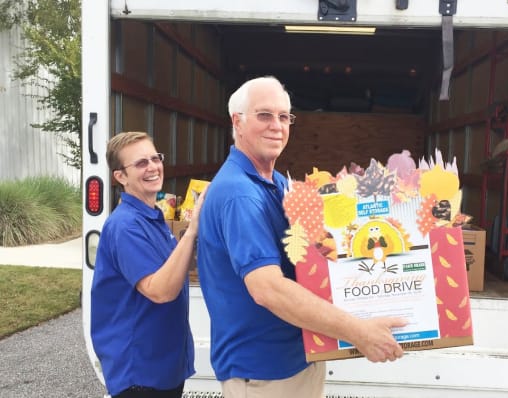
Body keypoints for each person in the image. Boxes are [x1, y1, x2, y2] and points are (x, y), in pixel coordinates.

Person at [197, 76, 407, 398]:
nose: (277, 126)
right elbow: (268, 289)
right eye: (264, 115)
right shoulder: (239, 194)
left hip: (294, 359)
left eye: (284, 117)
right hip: (264, 373)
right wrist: (359, 331)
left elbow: (316, 252)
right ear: (237, 122)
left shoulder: (276, 182)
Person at [91, 131, 206, 398]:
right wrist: (191, 231)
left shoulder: (153, 218)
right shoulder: (126, 226)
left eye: (156, 158)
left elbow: (174, 270)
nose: (153, 167)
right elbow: (160, 290)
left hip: (163, 367)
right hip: (140, 374)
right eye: (141, 163)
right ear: (121, 177)